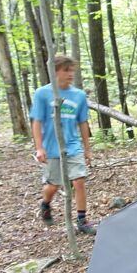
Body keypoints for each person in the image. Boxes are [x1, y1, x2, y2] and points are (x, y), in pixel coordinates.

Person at [30, 55, 96, 235]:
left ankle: (82, 220)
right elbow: (36, 122)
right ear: (55, 71)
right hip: (52, 148)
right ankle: (45, 203)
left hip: (73, 146)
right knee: (54, 185)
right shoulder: (42, 94)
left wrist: (87, 149)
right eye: (66, 70)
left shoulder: (79, 95)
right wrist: (39, 147)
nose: (70, 74)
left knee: (79, 181)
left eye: (72, 70)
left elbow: (83, 123)